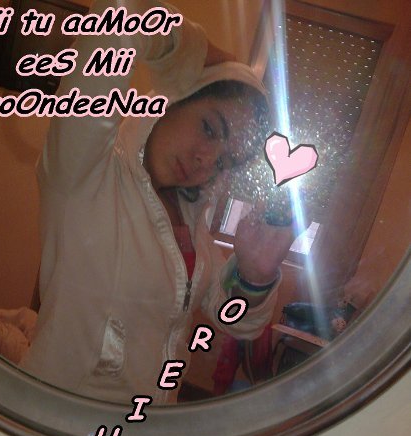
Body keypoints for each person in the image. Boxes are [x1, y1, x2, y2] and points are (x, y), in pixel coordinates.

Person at [20, 0, 297, 404]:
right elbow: (122, 17)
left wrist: (254, 276)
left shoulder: (190, 219)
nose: (206, 160)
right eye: (209, 128)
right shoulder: (85, 173)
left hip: (144, 427)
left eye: (224, 161)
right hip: (58, 421)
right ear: (177, 97)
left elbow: (234, 319)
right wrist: (205, 54)